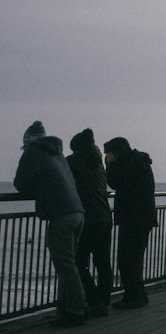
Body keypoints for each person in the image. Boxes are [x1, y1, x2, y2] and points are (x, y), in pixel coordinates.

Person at [14, 121, 88, 327]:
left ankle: (77, 310)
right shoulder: (58, 154)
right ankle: (69, 308)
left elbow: (20, 183)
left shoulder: (32, 153)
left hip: (61, 215)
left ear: (27, 142)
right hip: (77, 212)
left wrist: (36, 189)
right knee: (69, 264)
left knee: (65, 266)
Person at [104, 137, 156, 309]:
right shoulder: (138, 161)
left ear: (118, 151)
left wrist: (110, 165)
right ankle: (137, 295)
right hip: (141, 217)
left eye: (110, 153)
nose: (108, 156)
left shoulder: (130, 165)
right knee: (134, 259)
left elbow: (115, 182)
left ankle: (133, 297)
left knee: (127, 259)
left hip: (134, 218)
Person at [68, 128, 114, 317]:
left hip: (87, 218)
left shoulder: (73, 161)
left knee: (78, 261)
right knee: (103, 262)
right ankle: (103, 300)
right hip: (104, 216)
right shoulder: (98, 163)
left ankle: (93, 300)